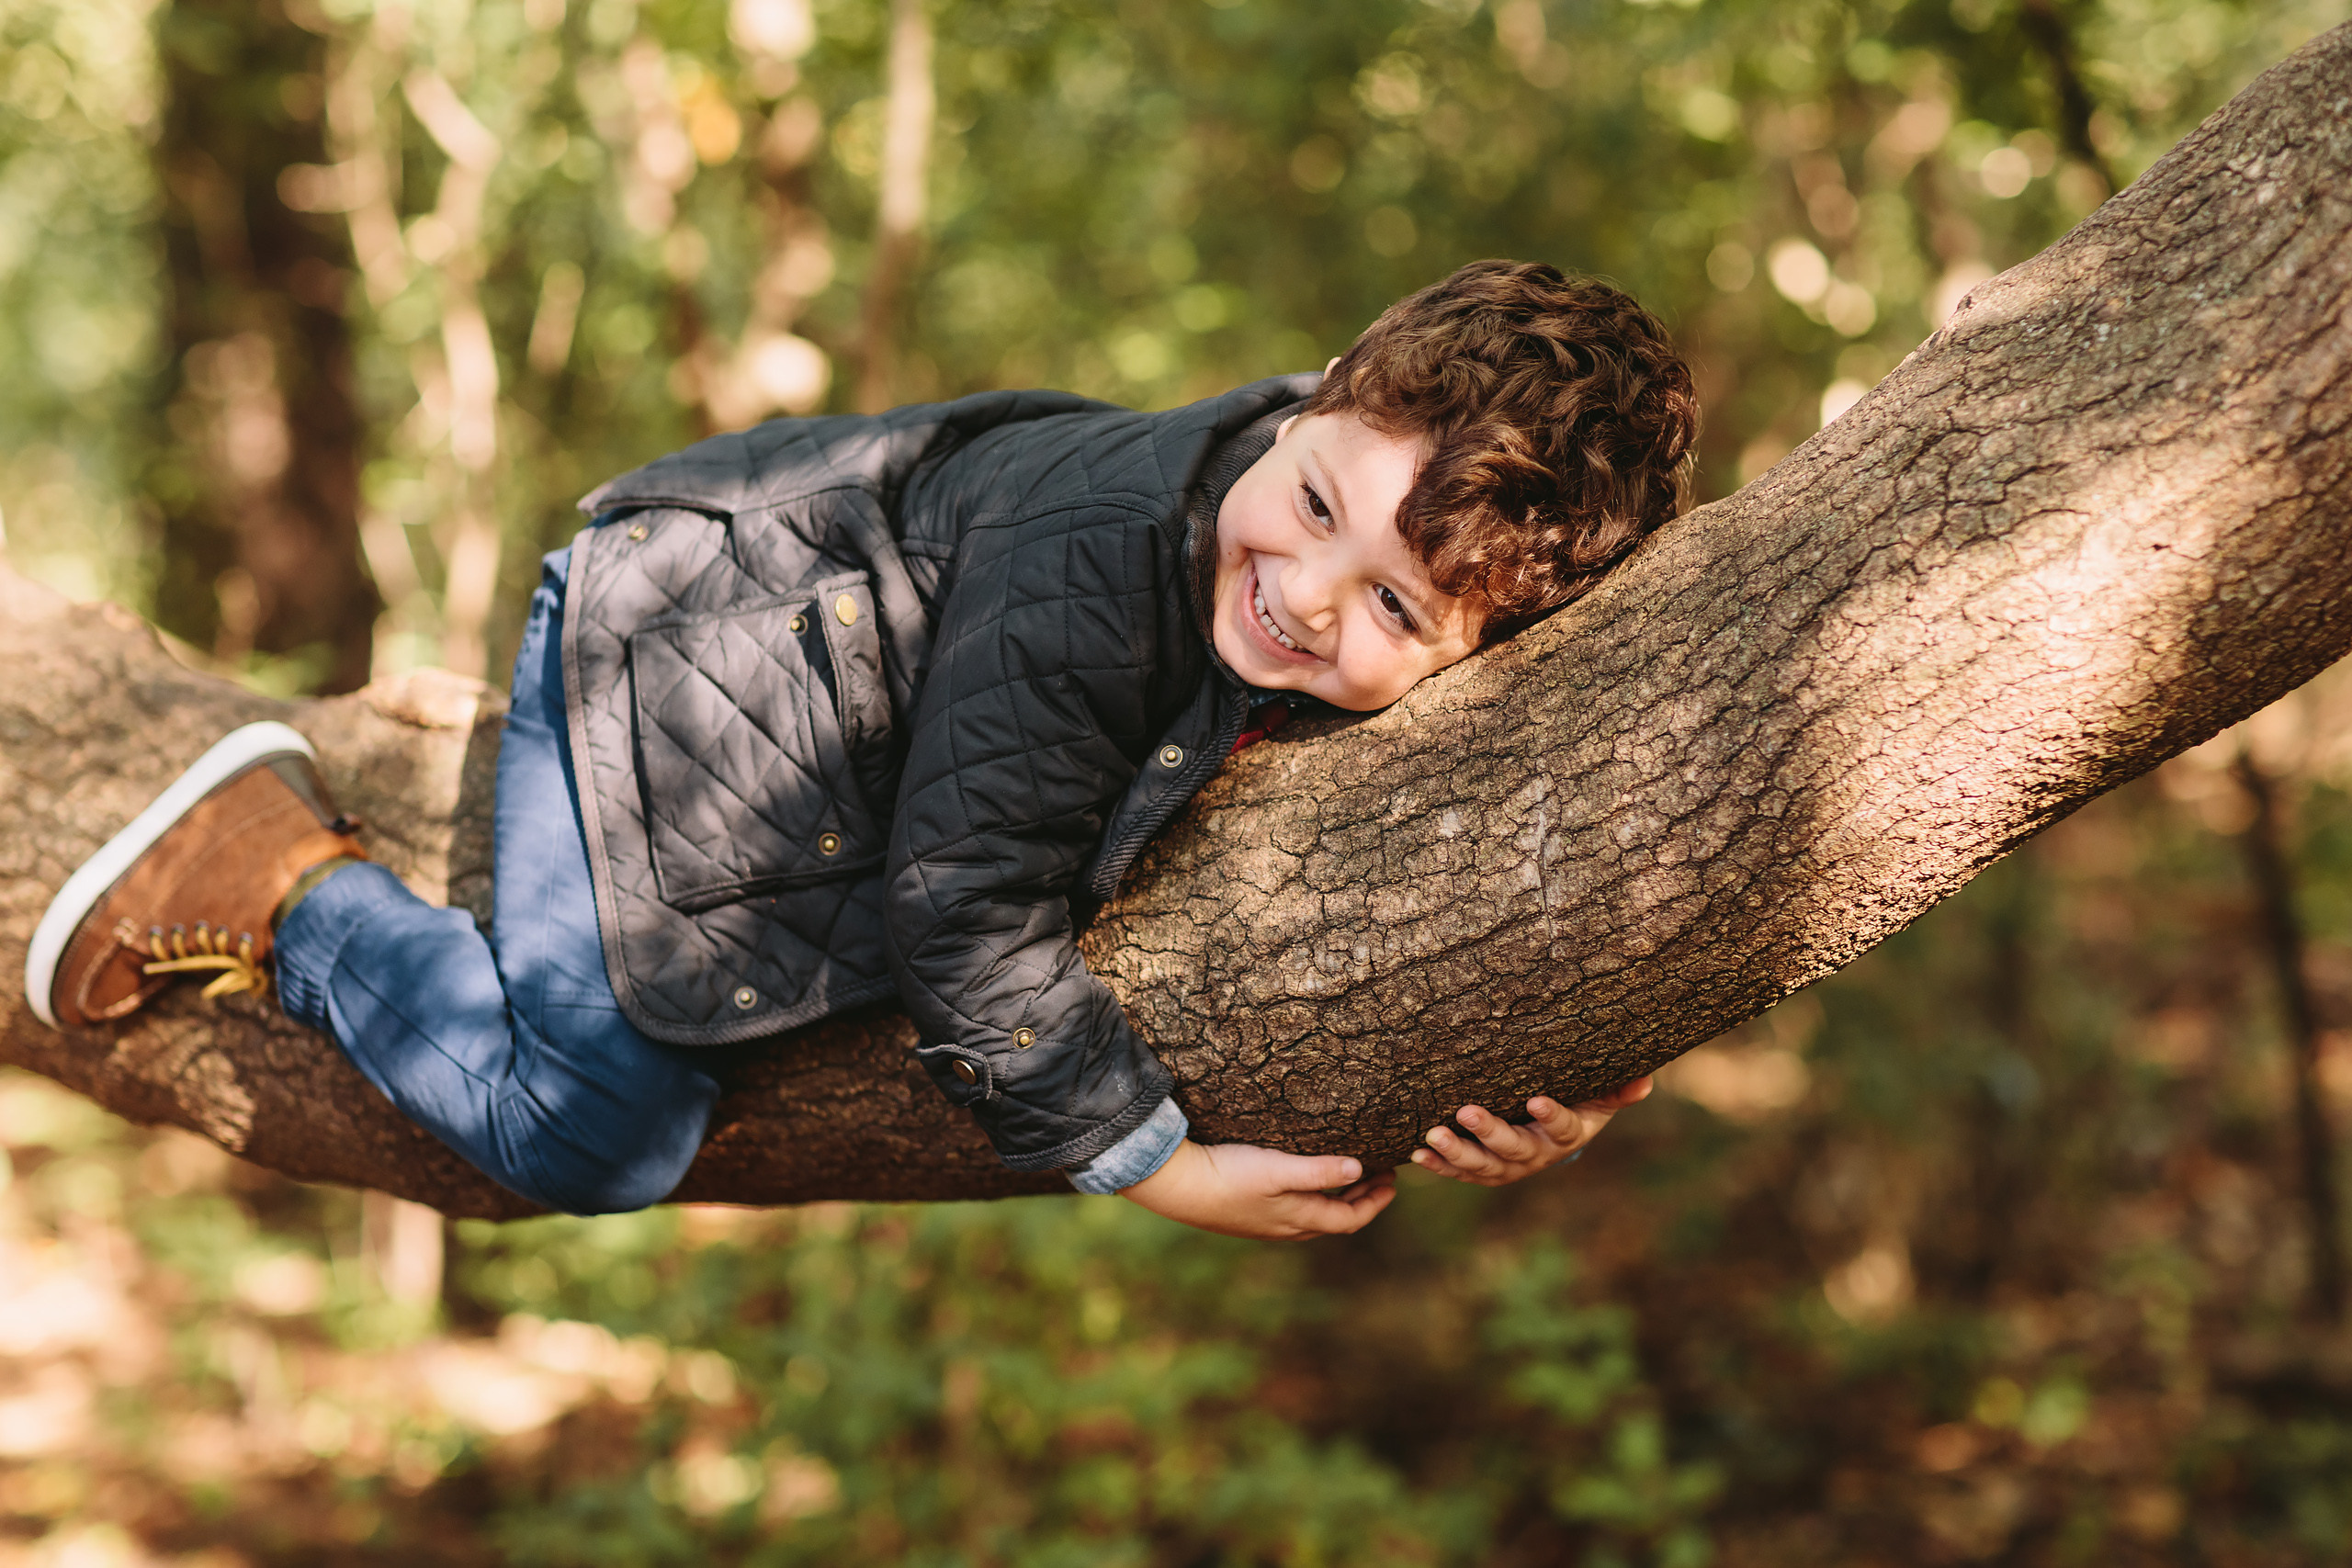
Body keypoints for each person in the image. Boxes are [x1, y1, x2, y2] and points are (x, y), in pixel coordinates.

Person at [24, 260, 1692, 1239]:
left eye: (1395, 605)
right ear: (1319, 392)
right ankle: (269, 874)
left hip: (798, 715)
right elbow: (964, 907)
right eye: (1315, 504)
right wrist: (1155, 1167)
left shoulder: (1310, 569)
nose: (1306, 597)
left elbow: (1497, 845)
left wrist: (1584, 1062)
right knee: (589, 1126)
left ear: (1486, 645)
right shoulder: (1101, 571)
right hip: (657, 664)